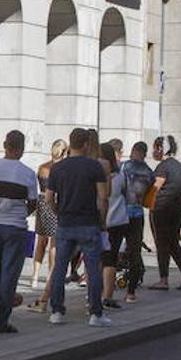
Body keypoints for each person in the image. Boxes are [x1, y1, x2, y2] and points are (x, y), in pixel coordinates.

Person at [46, 128, 112, 326]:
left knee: (59, 268)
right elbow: (103, 197)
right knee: (92, 268)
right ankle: (95, 313)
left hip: (65, 223)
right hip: (88, 222)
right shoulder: (94, 167)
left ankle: (57, 311)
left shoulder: (57, 168)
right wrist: (102, 219)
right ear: (86, 144)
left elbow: (49, 198)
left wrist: (59, 212)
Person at [0, 130, 39, 333]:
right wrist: (20, 211)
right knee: (9, 272)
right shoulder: (28, 174)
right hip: (15, 226)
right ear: (21, 148)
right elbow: (33, 203)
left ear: (5, 145)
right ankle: (2, 318)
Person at [148, 135, 181, 290]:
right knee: (173, 242)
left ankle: (163, 280)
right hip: (177, 209)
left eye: (154, 148)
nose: (153, 152)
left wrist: (145, 202)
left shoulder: (162, 167)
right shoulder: (179, 166)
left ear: (161, 149)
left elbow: (156, 187)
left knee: (162, 244)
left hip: (162, 209)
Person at [27, 139, 66, 306]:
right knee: (53, 243)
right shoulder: (62, 170)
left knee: (41, 241)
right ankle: (50, 274)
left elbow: (40, 188)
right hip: (54, 203)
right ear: (63, 152)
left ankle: (35, 276)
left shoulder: (43, 167)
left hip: (41, 203)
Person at [118, 141, 153, 303]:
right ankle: (131, 293)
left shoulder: (123, 167)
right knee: (134, 253)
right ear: (145, 153)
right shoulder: (149, 173)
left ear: (133, 151)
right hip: (137, 214)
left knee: (112, 250)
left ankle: (107, 289)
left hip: (121, 213)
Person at [101, 143, 130, 307]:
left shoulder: (97, 176)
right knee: (111, 259)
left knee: (98, 259)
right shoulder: (120, 176)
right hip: (118, 220)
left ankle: (94, 295)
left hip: (102, 220)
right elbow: (127, 194)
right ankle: (108, 295)